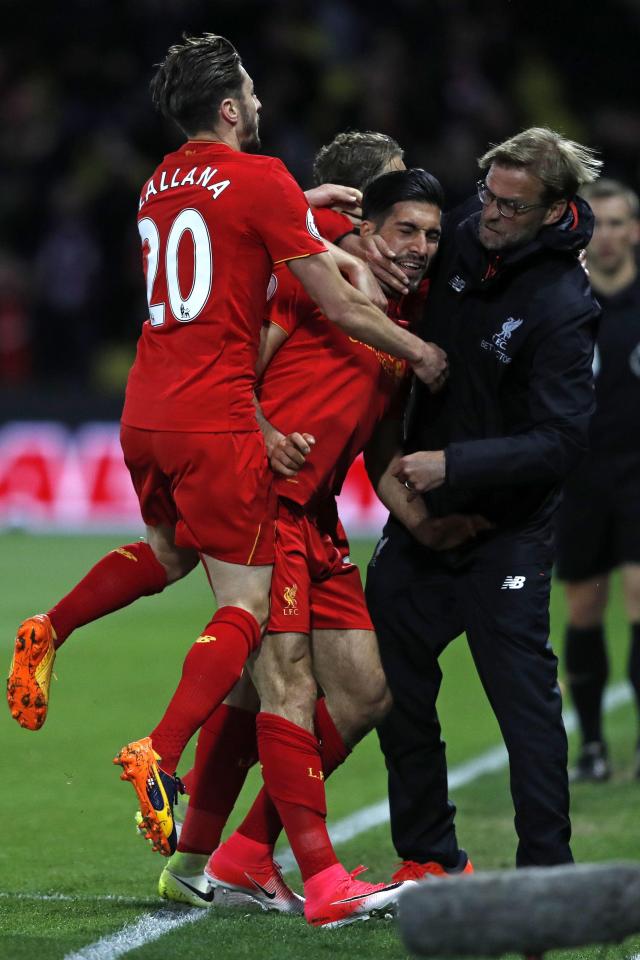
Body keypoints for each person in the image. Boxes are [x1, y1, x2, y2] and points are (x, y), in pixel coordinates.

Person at [6, 34, 444, 863]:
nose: (262, 104)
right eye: (252, 92)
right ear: (232, 108)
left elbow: (225, 222)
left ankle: (52, 625)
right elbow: (339, 305)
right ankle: (160, 755)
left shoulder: (156, 183)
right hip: (216, 415)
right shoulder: (262, 178)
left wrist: (301, 197)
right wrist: (421, 354)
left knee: (168, 553)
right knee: (243, 610)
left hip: (144, 408)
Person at [158, 168, 450, 926]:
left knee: (362, 697)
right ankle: (318, 880)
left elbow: (381, 451)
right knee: (286, 686)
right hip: (264, 505)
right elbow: (231, 370)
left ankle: (230, 855)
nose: (417, 248)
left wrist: (424, 524)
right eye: (403, 230)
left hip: (317, 519)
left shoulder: (399, 321)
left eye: (430, 236)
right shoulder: (313, 286)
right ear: (365, 225)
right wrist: (260, 434)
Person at [365, 127, 602, 875]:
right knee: (394, 691)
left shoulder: (565, 303)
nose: (489, 215)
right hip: (425, 525)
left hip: (508, 532)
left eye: (510, 206)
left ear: (555, 208)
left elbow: (562, 443)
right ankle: (429, 856)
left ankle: (546, 872)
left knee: (524, 707)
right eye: (488, 196)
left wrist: (454, 463)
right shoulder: (462, 240)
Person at [555, 178, 640, 782]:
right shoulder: (565, 300)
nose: (607, 235)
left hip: (639, 475)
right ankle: (590, 744)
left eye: (618, 223)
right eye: (598, 223)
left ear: (634, 230)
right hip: (579, 478)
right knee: (585, 608)